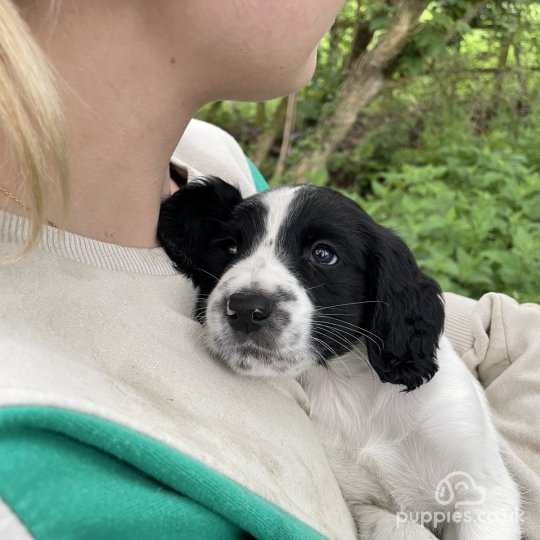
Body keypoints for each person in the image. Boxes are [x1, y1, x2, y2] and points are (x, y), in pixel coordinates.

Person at [0, 1, 538, 539]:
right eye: (233, 249)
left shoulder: (212, 157)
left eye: (320, 255)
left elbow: (470, 339)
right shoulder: (39, 469)